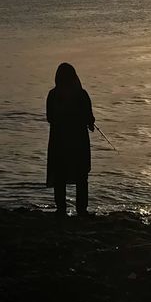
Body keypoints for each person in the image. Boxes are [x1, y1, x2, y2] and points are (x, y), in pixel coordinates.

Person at [45, 62, 94, 216]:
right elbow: (89, 118)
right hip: (78, 142)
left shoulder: (53, 95)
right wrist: (90, 123)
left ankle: (61, 209)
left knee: (59, 175)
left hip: (58, 142)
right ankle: (82, 210)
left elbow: (49, 118)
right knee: (81, 176)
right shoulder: (81, 94)